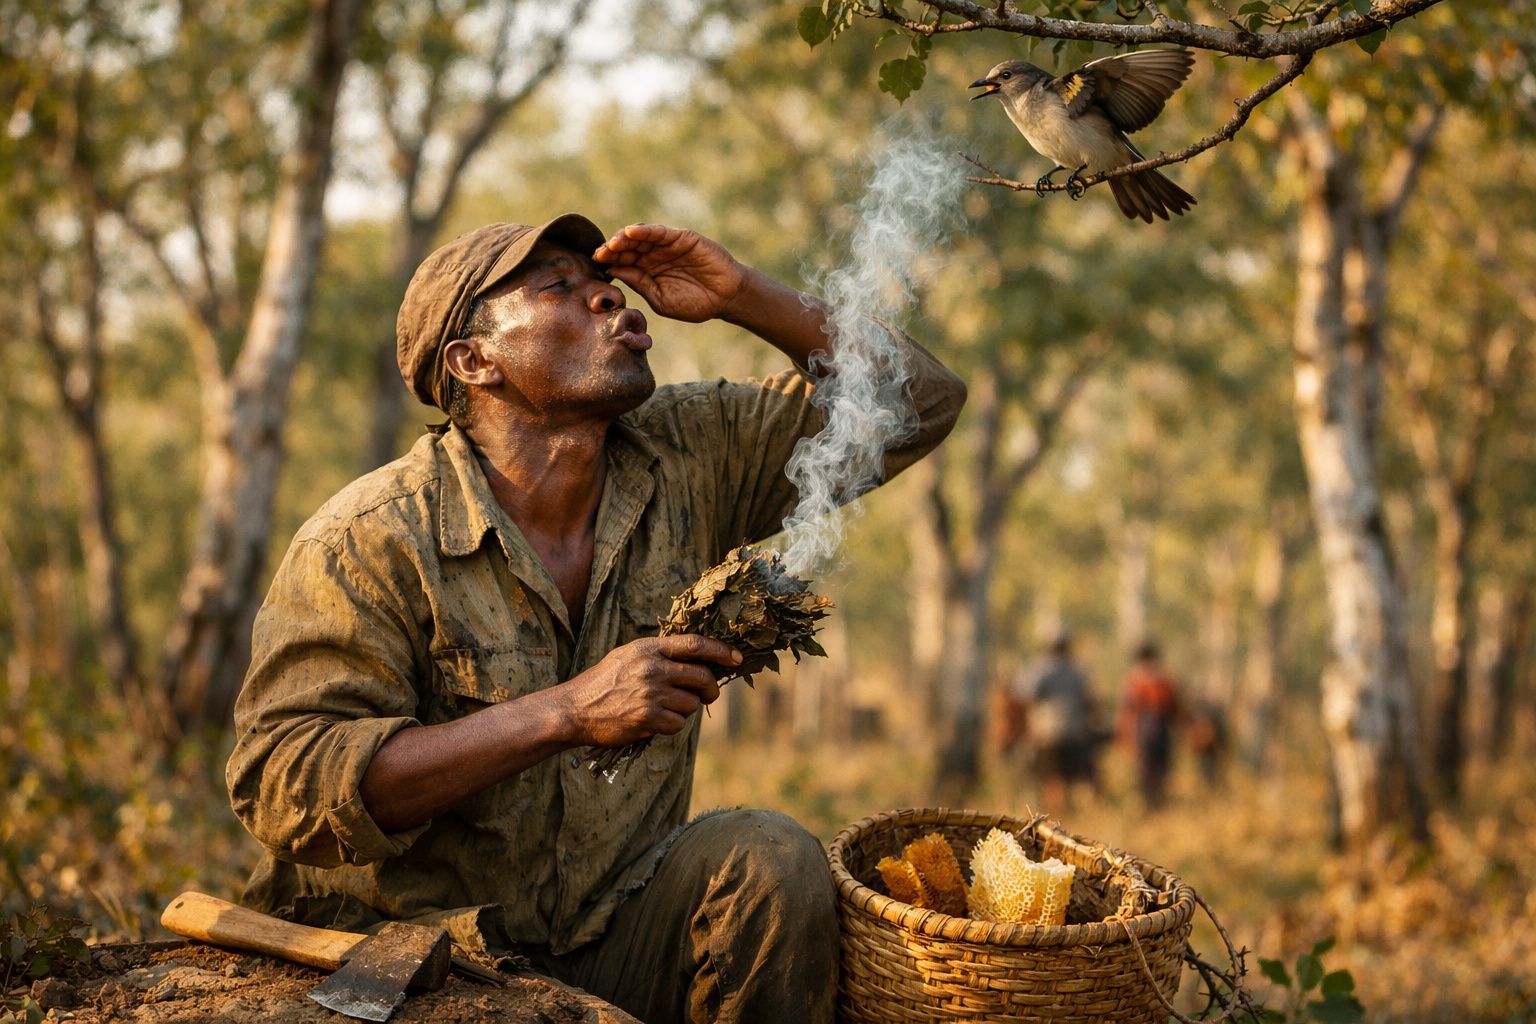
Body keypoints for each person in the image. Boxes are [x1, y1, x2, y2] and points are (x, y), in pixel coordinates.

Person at [224, 215, 966, 1024]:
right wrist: (569, 712)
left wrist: (743, 295)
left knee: (771, 854)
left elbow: (921, 400)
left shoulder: (694, 450)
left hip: (614, 937)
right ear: (474, 362)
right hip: (414, 967)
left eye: (599, 282)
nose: (607, 295)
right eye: (558, 289)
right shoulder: (367, 537)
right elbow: (282, 782)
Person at [1010, 631, 1100, 812]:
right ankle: (1067, 812)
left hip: (1048, 734)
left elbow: (1023, 696)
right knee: (1069, 775)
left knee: (1052, 777)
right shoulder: (1077, 671)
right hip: (1074, 732)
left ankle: (1057, 814)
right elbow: (1089, 702)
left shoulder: (1040, 670)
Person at [1116, 639, 1182, 809]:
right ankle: (1157, 803)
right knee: (1158, 772)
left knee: (1147, 772)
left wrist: (1126, 736)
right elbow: (1175, 710)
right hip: (1159, 731)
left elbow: (1128, 712)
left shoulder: (1135, 681)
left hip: (1145, 731)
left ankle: (1153, 805)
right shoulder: (1163, 680)